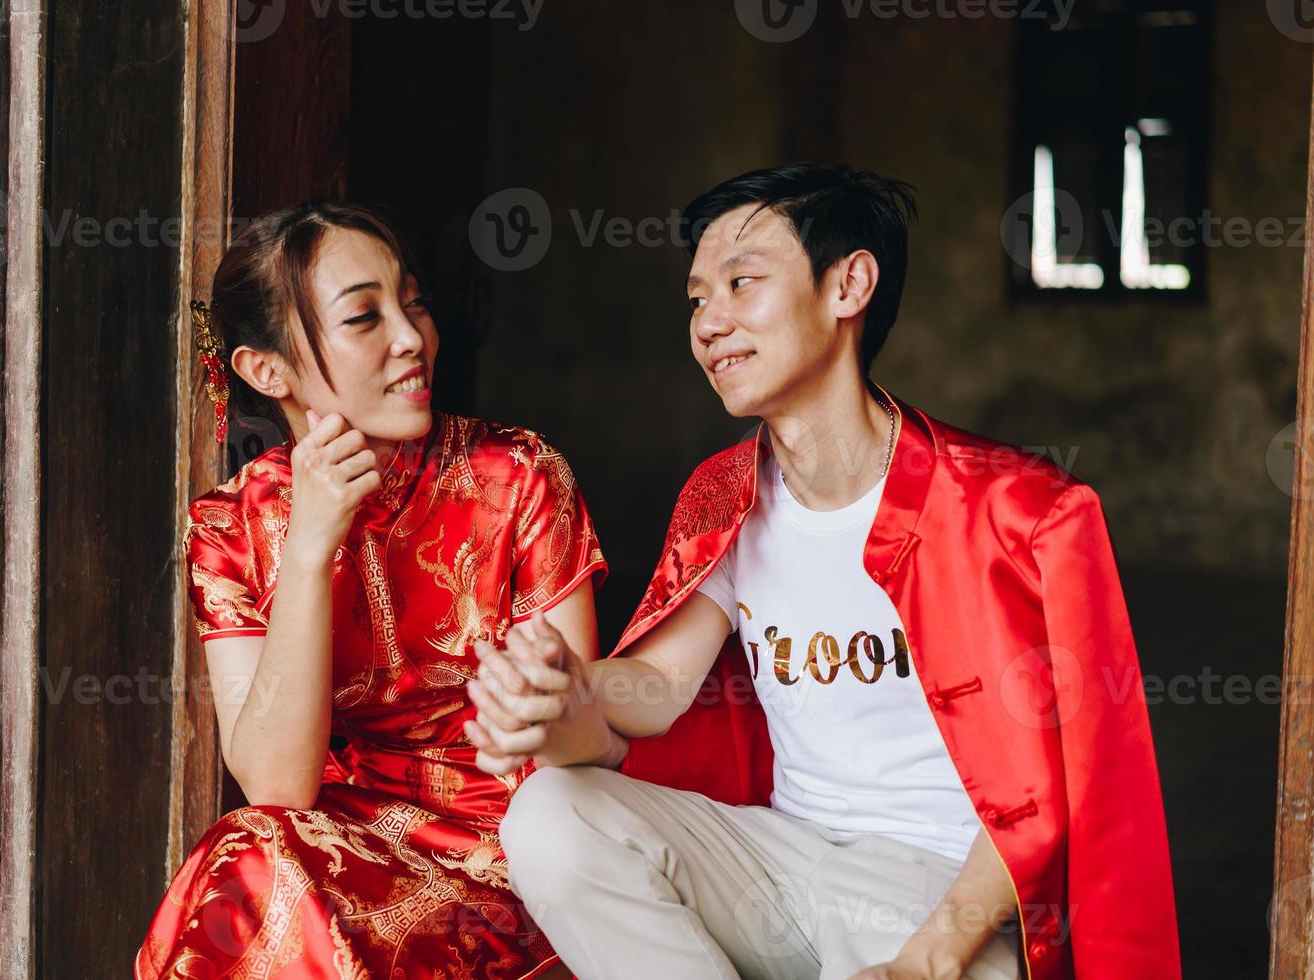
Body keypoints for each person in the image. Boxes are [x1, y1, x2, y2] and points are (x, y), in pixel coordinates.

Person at [466, 163, 1180, 980]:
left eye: (742, 283)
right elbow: (658, 690)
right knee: (552, 812)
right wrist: (570, 692)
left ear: (849, 285)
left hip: (940, 898)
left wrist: (929, 958)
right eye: (698, 299)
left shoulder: (1011, 511)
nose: (709, 323)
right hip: (781, 860)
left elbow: (1057, 783)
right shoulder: (726, 495)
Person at [134, 202, 605, 980]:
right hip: (346, 845)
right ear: (266, 370)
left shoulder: (515, 477)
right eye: (365, 317)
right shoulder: (230, 527)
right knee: (248, 858)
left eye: (412, 302)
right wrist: (313, 542)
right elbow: (278, 787)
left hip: (514, 848)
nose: (413, 337)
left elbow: (573, 744)